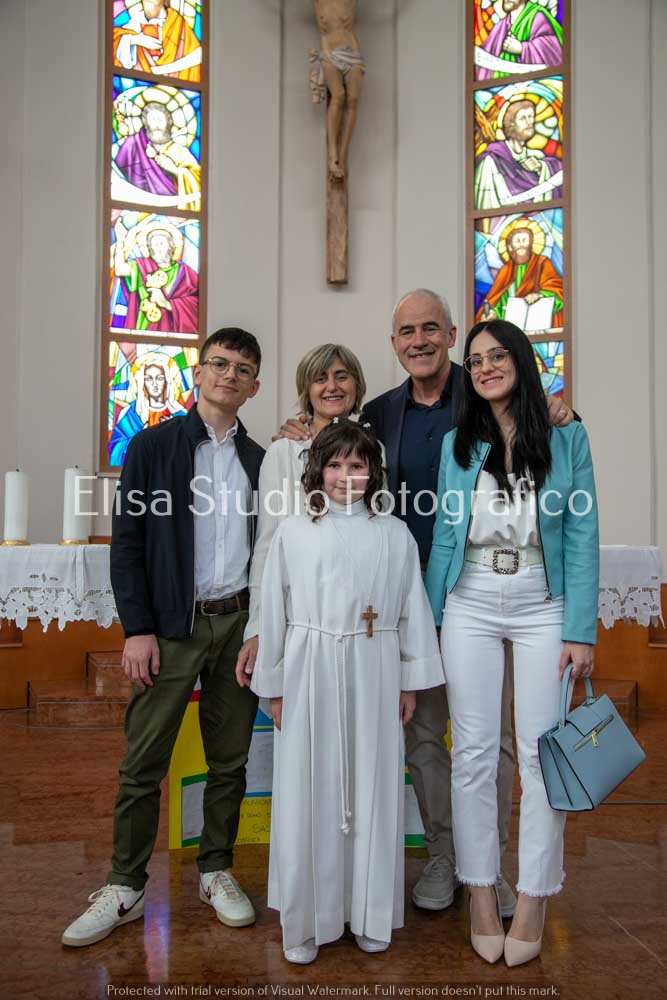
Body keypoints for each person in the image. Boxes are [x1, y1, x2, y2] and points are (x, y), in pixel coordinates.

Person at [274, 289, 574, 920]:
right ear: (394, 344)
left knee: (495, 740)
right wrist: (299, 428)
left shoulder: (486, 391)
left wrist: (557, 407)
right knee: (428, 736)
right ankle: (444, 855)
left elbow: (541, 435)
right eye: (407, 332)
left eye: (430, 329)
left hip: (484, 592)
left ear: (451, 335)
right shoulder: (380, 414)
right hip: (405, 600)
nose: (419, 341)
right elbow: (338, 454)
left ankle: (490, 866)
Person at [62, 328, 265, 947]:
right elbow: (127, 544)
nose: (229, 375)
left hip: (238, 624)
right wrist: (139, 629)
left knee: (230, 759)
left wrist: (260, 626)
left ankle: (216, 869)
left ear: (254, 387)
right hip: (173, 626)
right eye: (219, 364)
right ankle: (125, 884)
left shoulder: (262, 461)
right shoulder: (152, 447)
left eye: (242, 369)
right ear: (198, 374)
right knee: (143, 761)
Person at [425, 319, 598, 966]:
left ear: (522, 361)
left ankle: (532, 897)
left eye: (498, 355)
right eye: (475, 360)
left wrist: (580, 630)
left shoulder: (566, 434)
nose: (486, 367)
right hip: (469, 597)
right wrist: (432, 619)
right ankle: (479, 890)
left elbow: (580, 532)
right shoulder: (457, 443)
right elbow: (446, 536)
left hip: (541, 602)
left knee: (539, 754)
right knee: (472, 754)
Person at [249, 421, 444, 963]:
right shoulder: (294, 531)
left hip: (375, 666)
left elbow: (412, 609)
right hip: (309, 666)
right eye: (334, 465)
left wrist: (409, 681)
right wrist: (275, 686)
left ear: (373, 472)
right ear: (317, 471)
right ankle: (306, 921)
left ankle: (369, 912)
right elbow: (275, 609)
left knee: (372, 785)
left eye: (356, 465)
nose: (344, 476)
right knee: (306, 788)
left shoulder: (394, 534)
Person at [238, 344, 367, 672]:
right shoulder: (282, 452)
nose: (332, 386)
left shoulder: (374, 450)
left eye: (342, 376)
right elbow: (268, 545)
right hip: (296, 611)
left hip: (356, 608)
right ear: (307, 390)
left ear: (357, 384)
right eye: (320, 379)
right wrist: (257, 626)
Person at [112, 219, 199, 335]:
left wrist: (167, 304)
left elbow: (196, 305)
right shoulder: (142, 266)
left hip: (172, 332)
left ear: (171, 246)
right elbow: (120, 269)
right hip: (143, 329)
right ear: (149, 248)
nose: (158, 248)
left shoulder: (185, 272)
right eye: (154, 245)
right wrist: (120, 241)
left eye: (161, 244)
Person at [474, 99, 563, 209]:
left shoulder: (537, 156)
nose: (529, 122)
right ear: (511, 123)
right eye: (523, 118)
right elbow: (486, 204)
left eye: (531, 117)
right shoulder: (492, 159)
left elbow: (561, 174)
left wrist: (541, 168)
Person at [310, 0, 364, 180]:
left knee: (353, 99)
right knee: (338, 96)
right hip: (328, 49)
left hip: (351, 49)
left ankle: (342, 154)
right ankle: (333, 156)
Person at [114, 101, 201, 211]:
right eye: (152, 120)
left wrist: (174, 170)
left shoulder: (179, 151)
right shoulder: (133, 145)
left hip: (174, 210)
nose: (156, 125)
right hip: (136, 208)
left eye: (160, 120)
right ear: (145, 123)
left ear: (169, 122)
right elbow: (117, 177)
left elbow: (198, 180)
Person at [476, 224, 564, 330]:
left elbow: (557, 289)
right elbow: (499, 300)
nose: (521, 244)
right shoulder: (505, 270)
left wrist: (541, 295)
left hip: (539, 325)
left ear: (531, 243)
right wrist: (493, 313)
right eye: (517, 241)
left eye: (525, 240)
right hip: (510, 330)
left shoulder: (542, 263)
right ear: (510, 246)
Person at [108, 353, 187, 467]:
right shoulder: (132, 414)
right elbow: (116, 452)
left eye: (159, 378)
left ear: (167, 381)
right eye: (149, 379)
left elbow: (193, 452)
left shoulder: (180, 415)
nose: (154, 384)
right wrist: (142, 436)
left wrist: (174, 434)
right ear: (142, 382)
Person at [113, 0, 202, 82]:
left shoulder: (178, 24)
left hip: (176, 87)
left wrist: (162, 70)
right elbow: (115, 48)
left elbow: (197, 56)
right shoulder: (134, 25)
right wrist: (135, 40)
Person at [476, 0, 563, 80]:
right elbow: (485, 55)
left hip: (531, 84)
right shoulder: (500, 26)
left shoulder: (537, 17)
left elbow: (556, 51)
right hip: (499, 87)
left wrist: (522, 48)